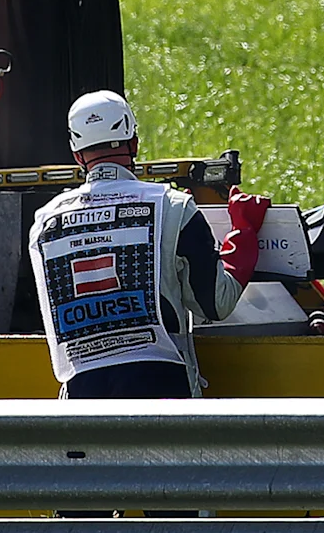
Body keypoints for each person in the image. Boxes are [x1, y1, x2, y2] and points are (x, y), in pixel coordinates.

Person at [26, 89, 269, 399]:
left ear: (76, 155)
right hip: (162, 392)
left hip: (81, 400)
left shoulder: (45, 222)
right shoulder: (174, 206)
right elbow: (216, 303)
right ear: (134, 143)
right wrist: (244, 230)